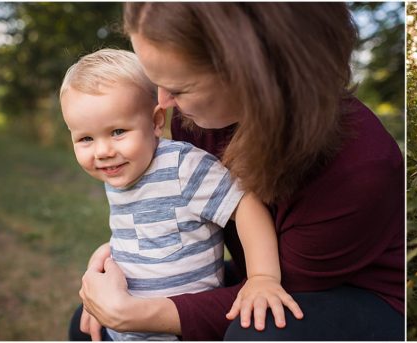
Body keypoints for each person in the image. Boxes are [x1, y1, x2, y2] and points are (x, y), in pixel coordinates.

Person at [69, 3, 404, 341]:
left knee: (256, 334)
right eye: (157, 81)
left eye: (180, 88)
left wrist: (132, 314)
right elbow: (183, 214)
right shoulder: (198, 119)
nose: (164, 102)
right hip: (261, 274)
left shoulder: (361, 169)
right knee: (88, 327)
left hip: (354, 296)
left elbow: (274, 291)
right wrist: (123, 259)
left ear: (252, 74)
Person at [60, 49, 302, 341]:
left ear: (156, 123)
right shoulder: (120, 171)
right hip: (127, 330)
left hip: (179, 329)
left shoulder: (183, 168)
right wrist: (101, 292)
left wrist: (262, 278)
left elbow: (246, 205)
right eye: (86, 138)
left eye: (118, 131)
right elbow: (141, 234)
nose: (103, 152)